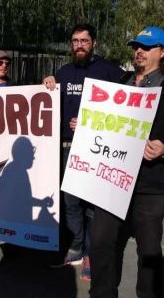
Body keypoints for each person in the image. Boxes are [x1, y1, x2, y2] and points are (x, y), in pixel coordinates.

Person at [88, 27, 164, 298]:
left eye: (146, 47)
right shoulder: (121, 82)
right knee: (100, 242)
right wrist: (87, 124)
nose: (139, 52)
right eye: (136, 46)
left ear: (163, 52)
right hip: (113, 179)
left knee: (148, 250)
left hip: (152, 185)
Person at [43, 23, 124, 279]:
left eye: (84, 41)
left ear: (94, 43)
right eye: (75, 41)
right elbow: (50, 103)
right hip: (67, 149)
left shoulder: (110, 71)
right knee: (70, 202)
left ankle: (90, 252)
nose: (79, 45)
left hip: (95, 148)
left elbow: (127, 108)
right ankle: (76, 246)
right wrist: (48, 84)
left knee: (92, 204)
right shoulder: (64, 72)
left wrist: (91, 123)